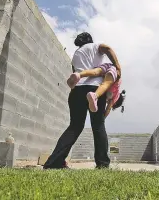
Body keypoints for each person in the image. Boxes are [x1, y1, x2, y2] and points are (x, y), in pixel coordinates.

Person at [43, 32, 121, 169]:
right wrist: (117, 66)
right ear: (90, 40)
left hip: (77, 90)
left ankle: (54, 161)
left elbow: (75, 73)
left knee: (74, 126)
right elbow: (107, 48)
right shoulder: (95, 46)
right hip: (95, 88)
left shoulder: (76, 55)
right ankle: (102, 164)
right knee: (98, 126)